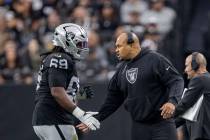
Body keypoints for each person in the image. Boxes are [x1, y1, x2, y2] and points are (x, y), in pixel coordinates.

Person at [77, 32, 184, 140]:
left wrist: (172, 102)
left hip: (161, 124)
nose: (116, 50)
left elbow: (176, 80)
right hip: (139, 127)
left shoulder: (155, 59)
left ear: (132, 45)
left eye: (119, 46)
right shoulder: (121, 70)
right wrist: (96, 118)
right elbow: (112, 101)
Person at [32, 23, 100, 140]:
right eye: (79, 43)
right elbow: (57, 92)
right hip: (53, 117)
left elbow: (58, 90)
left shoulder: (62, 58)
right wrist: (82, 115)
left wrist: (79, 94)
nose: (82, 47)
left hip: (53, 117)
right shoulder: (60, 58)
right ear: (67, 42)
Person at [172, 52, 210, 140]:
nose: (185, 70)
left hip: (202, 134)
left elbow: (184, 104)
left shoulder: (199, 79)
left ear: (195, 65)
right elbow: (189, 111)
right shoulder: (206, 79)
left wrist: (166, 117)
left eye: (187, 66)